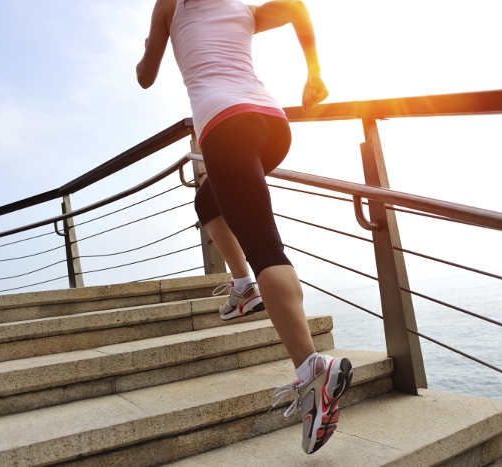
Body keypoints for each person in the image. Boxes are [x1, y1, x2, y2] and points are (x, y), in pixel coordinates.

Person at [136, 0, 351, 454]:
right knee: (207, 200)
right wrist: (314, 73)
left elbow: (145, 76)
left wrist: (152, 43)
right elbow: (295, 6)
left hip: (225, 123)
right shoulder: (243, 7)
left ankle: (312, 368)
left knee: (264, 245)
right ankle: (243, 287)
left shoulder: (169, 4)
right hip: (272, 124)